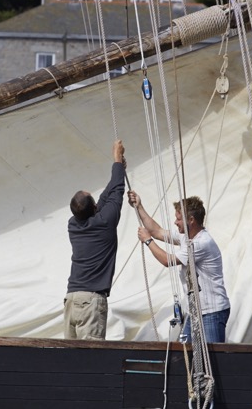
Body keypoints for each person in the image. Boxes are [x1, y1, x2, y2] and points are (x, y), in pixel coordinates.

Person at [128, 191, 230, 342]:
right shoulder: (186, 237)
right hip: (195, 311)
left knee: (212, 360)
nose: (175, 223)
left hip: (211, 312)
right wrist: (139, 206)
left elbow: (167, 260)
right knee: (185, 357)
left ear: (191, 220)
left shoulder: (201, 242)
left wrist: (148, 241)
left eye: (178, 219)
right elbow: (157, 231)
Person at [64, 139, 126, 340]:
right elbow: (116, 194)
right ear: (94, 209)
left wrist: (119, 171)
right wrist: (117, 160)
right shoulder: (105, 222)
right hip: (90, 302)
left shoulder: (73, 224)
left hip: (72, 299)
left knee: (70, 359)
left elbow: (105, 199)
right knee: (90, 360)